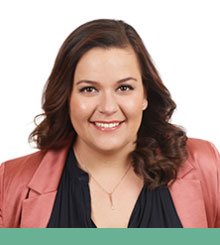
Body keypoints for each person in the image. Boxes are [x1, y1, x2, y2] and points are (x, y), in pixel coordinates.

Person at [0, 19, 219, 228]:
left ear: (145, 95)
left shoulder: (205, 165)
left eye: (124, 88)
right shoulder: (10, 182)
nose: (108, 107)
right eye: (89, 89)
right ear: (66, 97)